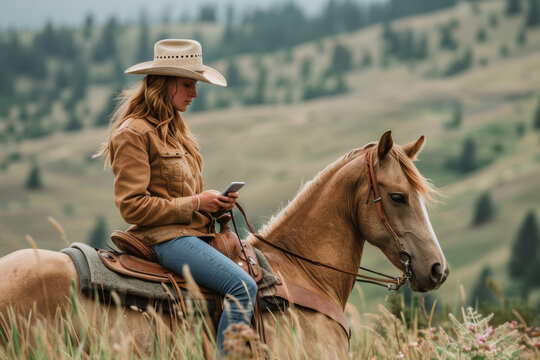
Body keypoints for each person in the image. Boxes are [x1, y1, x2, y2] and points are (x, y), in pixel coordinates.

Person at [95, 39, 258, 353]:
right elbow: (132, 206)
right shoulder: (134, 132)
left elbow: (181, 194)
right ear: (164, 84)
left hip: (190, 233)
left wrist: (215, 204)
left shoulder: (177, 131)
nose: (194, 93)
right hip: (165, 239)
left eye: (195, 85)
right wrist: (198, 203)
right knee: (242, 286)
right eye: (187, 84)